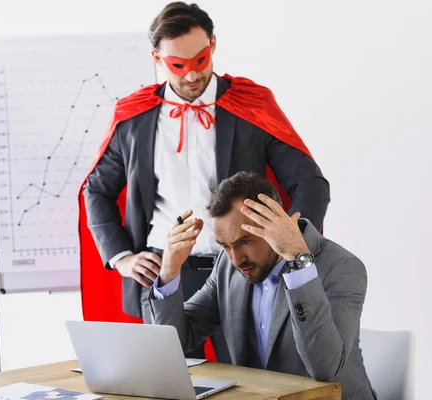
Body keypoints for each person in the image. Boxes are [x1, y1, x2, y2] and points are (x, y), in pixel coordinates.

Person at [78, 2, 330, 358]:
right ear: (156, 57)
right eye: (177, 66)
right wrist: (121, 257)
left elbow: (310, 182)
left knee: (250, 381)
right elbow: (97, 190)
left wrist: (294, 243)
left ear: (212, 45)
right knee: (168, 384)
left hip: (242, 269)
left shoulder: (252, 104)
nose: (192, 75)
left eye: (199, 60)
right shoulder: (133, 117)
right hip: (167, 270)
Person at [149, 171, 375, 399]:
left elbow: (325, 368)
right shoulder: (227, 267)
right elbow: (177, 341)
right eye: (225, 246)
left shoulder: (341, 267)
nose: (236, 260)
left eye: (245, 241)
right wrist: (169, 270)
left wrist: (299, 261)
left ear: (274, 222)